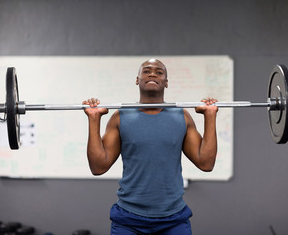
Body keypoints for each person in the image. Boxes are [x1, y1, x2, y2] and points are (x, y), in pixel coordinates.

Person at [83, 58, 219, 235]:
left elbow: (206, 163)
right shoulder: (120, 116)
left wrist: (210, 116)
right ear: (137, 80)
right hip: (128, 220)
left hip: (173, 219)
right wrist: (94, 119)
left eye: (159, 72)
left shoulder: (182, 117)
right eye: (146, 71)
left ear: (166, 82)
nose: (152, 73)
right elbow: (98, 167)